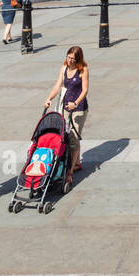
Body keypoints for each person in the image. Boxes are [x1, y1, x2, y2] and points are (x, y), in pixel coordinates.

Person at [43, 46, 89, 178]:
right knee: (65, 134)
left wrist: (75, 103)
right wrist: (49, 98)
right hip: (64, 106)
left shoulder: (83, 70)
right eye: (68, 57)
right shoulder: (64, 68)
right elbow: (58, 85)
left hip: (79, 108)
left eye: (73, 59)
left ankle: (72, 169)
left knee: (74, 137)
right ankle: (76, 161)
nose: (69, 60)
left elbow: (85, 90)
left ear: (78, 59)